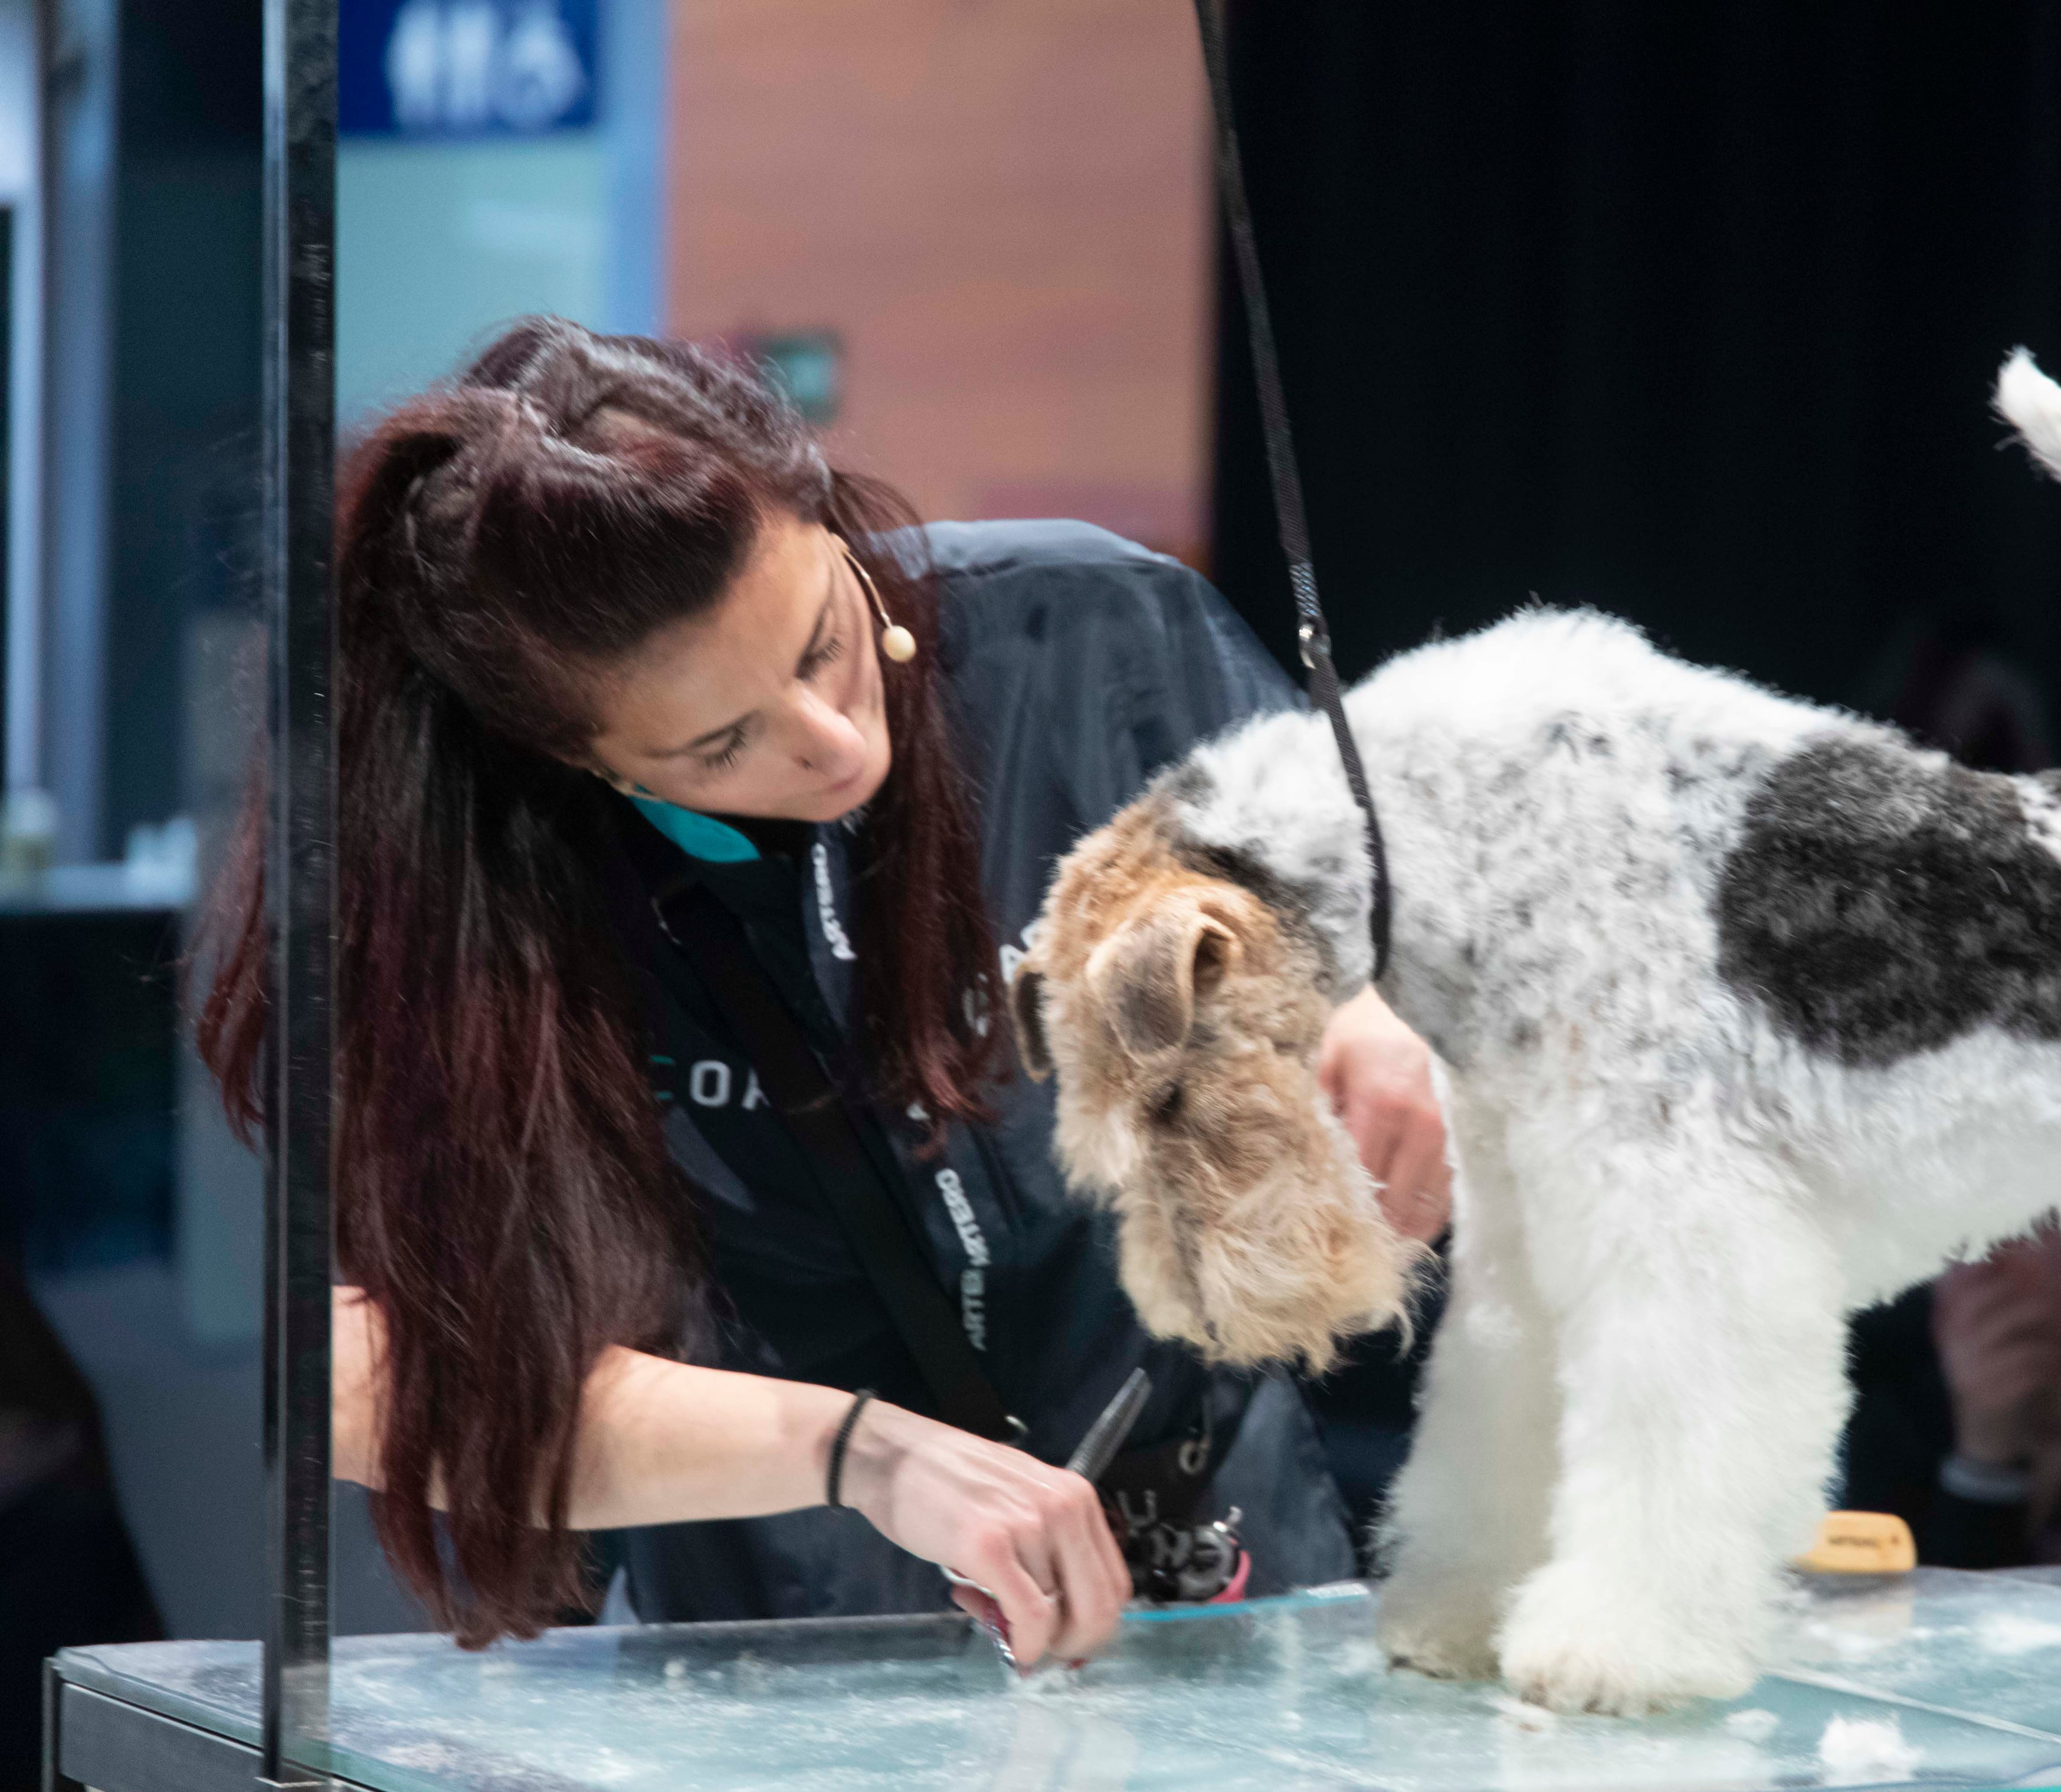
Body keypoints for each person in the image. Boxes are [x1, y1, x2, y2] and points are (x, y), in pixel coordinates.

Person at [196, 319, 1452, 1666]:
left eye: (818, 642)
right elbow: (361, 1372)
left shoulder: (1095, 631)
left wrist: (1374, 1007)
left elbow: (1370, 920)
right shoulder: (483, 889)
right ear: (579, 759)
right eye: (721, 742)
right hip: (770, 1637)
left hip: (1217, 1574)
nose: (833, 742)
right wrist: (856, 1452)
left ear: (822, 509)